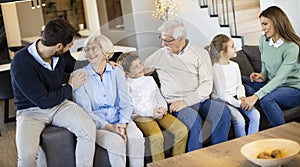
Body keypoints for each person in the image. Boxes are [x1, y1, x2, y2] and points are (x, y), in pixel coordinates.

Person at [10, 18, 96, 167]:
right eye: (69, 46)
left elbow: (74, 66)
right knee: (27, 156)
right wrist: (70, 87)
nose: (70, 49)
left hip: (59, 105)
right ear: (59, 46)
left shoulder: (61, 54)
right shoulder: (21, 63)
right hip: (31, 111)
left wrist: (100, 64)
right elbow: (43, 101)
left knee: (88, 130)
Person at [143, 19, 231, 152]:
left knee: (223, 112)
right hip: (174, 103)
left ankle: (219, 155)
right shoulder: (160, 55)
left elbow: (206, 85)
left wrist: (186, 101)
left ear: (181, 39)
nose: (162, 44)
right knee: (193, 120)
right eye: (162, 39)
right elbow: (137, 69)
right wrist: (117, 66)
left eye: (167, 40)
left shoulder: (200, 53)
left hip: (199, 100)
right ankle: (192, 161)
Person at [72, 34, 145, 167]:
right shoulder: (80, 76)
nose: (89, 53)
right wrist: (109, 127)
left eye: (94, 48)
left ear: (105, 51)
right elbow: (85, 111)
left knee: (137, 138)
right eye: (86, 49)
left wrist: (122, 124)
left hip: (120, 119)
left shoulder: (117, 71)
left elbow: (126, 103)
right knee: (116, 143)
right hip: (98, 125)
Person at [116, 52, 188, 161]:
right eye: (136, 67)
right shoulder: (127, 85)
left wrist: (162, 107)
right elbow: (134, 106)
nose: (141, 67)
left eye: (140, 63)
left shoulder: (149, 79)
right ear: (127, 73)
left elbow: (158, 96)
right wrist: (151, 112)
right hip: (141, 116)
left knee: (182, 130)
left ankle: (176, 162)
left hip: (158, 112)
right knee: (156, 136)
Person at [241, 6, 300, 127]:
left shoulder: (291, 47)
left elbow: (281, 78)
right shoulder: (263, 40)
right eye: (261, 25)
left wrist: (255, 96)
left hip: (292, 88)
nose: (263, 29)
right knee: (241, 80)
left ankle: (283, 136)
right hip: (272, 84)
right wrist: (262, 76)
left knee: (266, 99)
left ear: (277, 22)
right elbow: (265, 66)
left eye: (265, 24)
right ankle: (261, 98)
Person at [209, 34, 260, 137]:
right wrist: (239, 104)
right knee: (240, 121)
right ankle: (241, 145)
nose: (235, 48)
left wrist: (242, 97)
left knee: (256, 115)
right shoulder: (216, 69)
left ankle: (251, 143)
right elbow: (222, 95)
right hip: (222, 100)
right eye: (232, 47)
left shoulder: (235, 65)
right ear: (223, 53)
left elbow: (239, 85)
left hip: (236, 98)